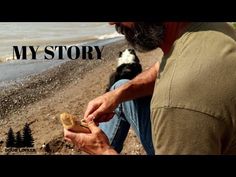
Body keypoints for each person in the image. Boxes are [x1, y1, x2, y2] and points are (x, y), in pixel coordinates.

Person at [64, 22, 236, 155]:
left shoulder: (174, 103)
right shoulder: (210, 29)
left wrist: (103, 150)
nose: (110, 22)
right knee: (120, 85)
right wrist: (117, 95)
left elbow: (178, 100)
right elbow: (161, 66)